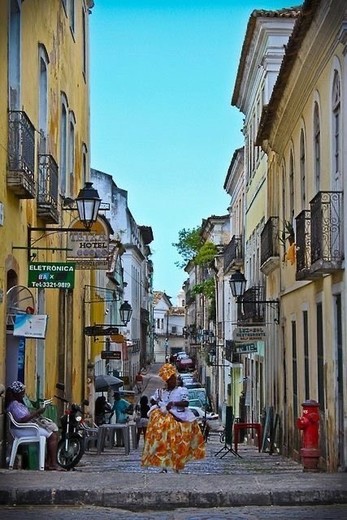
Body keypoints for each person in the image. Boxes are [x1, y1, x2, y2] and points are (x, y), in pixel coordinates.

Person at [141, 363, 205, 473]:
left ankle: (177, 465)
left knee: (177, 444)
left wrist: (173, 403)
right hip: (163, 422)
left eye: (172, 379)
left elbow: (185, 403)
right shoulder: (160, 392)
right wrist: (157, 402)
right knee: (163, 444)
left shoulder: (181, 391)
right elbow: (152, 400)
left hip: (178, 419)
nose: (171, 381)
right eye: (168, 380)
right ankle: (164, 465)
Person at [5, 381, 61, 471]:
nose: (24, 394)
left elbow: (25, 416)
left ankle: (49, 463)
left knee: (53, 432)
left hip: (25, 428)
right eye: (22, 392)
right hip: (21, 430)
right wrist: (38, 412)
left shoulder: (17, 403)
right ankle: (53, 464)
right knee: (52, 436)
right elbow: (23, 419)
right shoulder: (14, 405)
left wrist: (37, 414)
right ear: (17, 393)